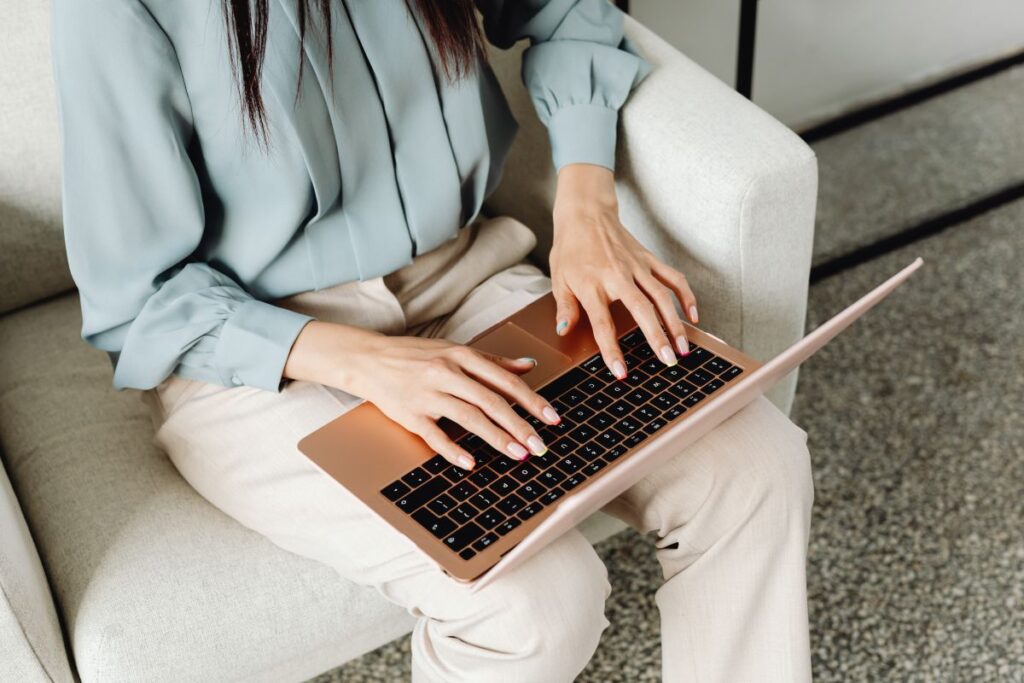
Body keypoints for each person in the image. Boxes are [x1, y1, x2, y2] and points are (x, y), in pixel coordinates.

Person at [52, 0, 814, 680]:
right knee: (534, 604)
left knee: (756, 466)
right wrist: (373, 364)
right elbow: (138, 298)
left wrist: (588, 205)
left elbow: (567, 8)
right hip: (260, 354)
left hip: (466, 275)